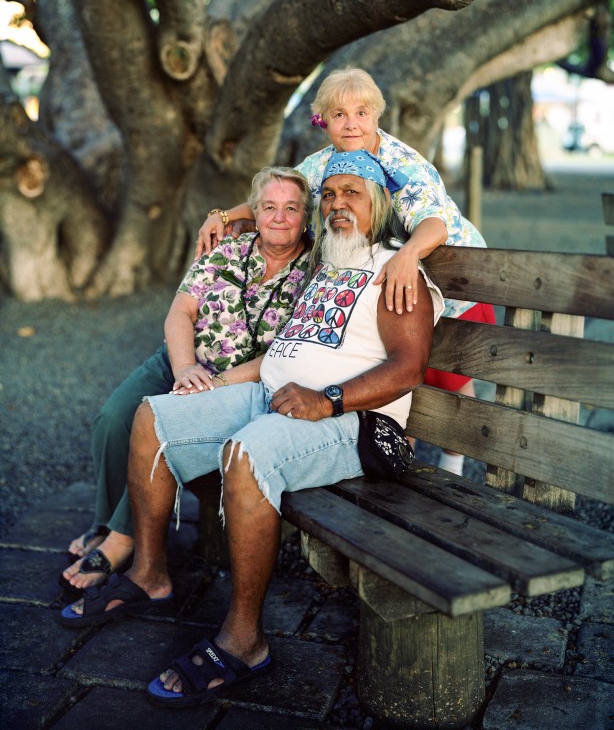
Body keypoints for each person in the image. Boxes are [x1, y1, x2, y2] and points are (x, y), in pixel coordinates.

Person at [60, 150, 445, 710]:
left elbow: (408, 367)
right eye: (330, 194)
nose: (337, 204)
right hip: (275, 399)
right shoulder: (329, 261)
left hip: (355, 422)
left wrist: (327, 399)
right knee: (153, 415)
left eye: (353, 195)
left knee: (245, 453)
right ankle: (149, 574)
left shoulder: (394, 268)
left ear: (380, 204)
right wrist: (227, 215)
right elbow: (268, 221)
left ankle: (244, 640)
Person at [196, 67, 495, 476]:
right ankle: (395, 452)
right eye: (339, 115)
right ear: (323, 121)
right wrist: (223, 215)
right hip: (391, 276)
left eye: (361, 113)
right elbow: (282, 195)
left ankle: (454, 461)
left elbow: (435, 223)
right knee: (388, 361)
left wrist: (407, 255)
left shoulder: (401, 162)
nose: (351, 123)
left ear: (376, 117)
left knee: (449, 375)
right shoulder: (322, 164)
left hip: (451, 277)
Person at [60, 166, 313, 591]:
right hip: (181, 360)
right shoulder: (229, 248)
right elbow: (181, 312)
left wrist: (213, 384)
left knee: (156, 428)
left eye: (291, 208)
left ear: (305, 217)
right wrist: (183, 369)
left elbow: (282, 353)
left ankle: (123, 541)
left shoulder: (312, 274)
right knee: (113, 418)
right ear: (255, 211)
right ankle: (104, 523)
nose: (279, 217)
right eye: (269, 207)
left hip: (236, 382)